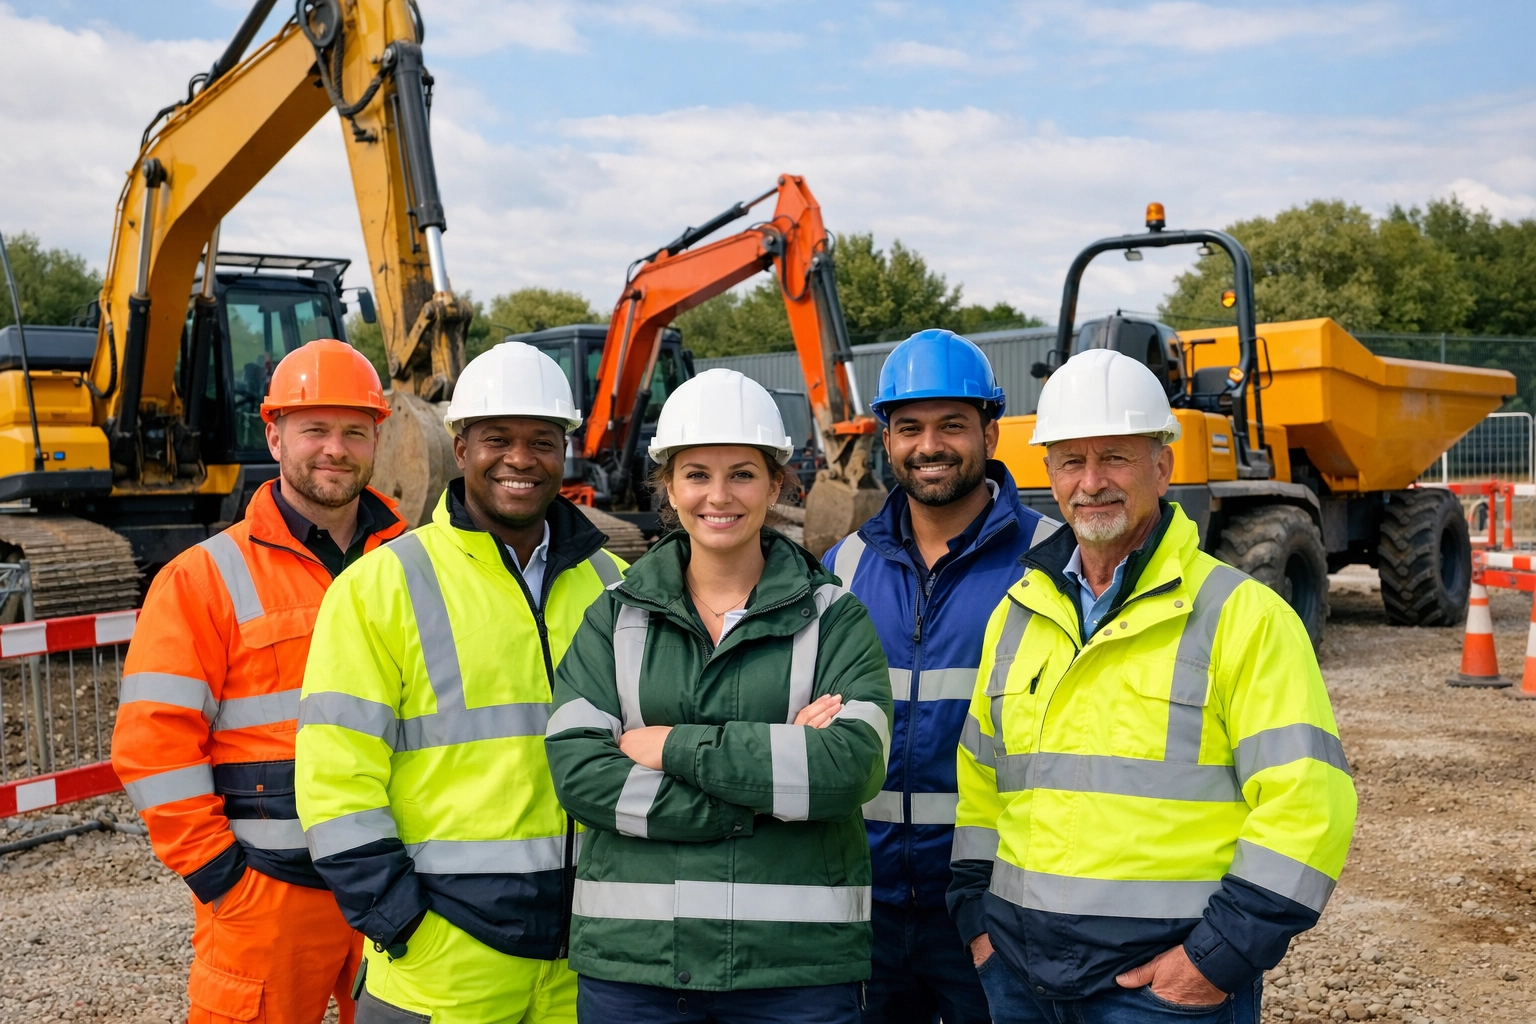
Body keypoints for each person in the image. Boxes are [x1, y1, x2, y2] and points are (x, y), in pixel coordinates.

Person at [949, 348, 1358, 1023]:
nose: (1091, 482)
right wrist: (977, 921)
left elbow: (1308, 804)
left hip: (1162, 992)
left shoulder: (1241, 616)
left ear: (1162, 466)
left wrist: (1217, 958)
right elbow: (981, 784)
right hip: (1020, 978)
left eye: (1116, 457)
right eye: (1071, 460)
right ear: (1047, 472)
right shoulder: (1018, 614)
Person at [545, 368, 893, 1024]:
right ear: (669, 488)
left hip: (796, 972)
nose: (719, 495)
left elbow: (850, 769)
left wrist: (670, 744)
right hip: (637, 969)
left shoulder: (833, 617)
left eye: (742, 473)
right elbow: (580, 773)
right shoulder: (614, 618)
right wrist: (769, 789)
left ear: (776, 485)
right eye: (697, 474)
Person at [294, 342, 626, 1024]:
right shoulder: (382, 585)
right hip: (443, 965)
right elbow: (334, 781)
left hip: (585, 956)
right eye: (496, 438)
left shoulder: (613, 586)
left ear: (564, 450)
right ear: (459, 445)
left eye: (541, 440)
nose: (520, 458)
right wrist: (398, 921)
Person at [111, 339, 405, 1024]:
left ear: (376, 440)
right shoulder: (202, 577)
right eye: (315, 430)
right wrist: (221, 878)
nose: (335, 448)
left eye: (354, 432)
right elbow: (153, 746)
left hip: (397, 885)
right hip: (268, 899)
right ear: (274, 435)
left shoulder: (415, 563)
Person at [821, 330, 1057, 1024]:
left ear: (990, 430)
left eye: (952, 425)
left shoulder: (1052, 561)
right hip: (866, 907)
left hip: (994, 906)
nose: (930, 445)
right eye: (909, 427)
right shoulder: (844, 565)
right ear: (884, 440)